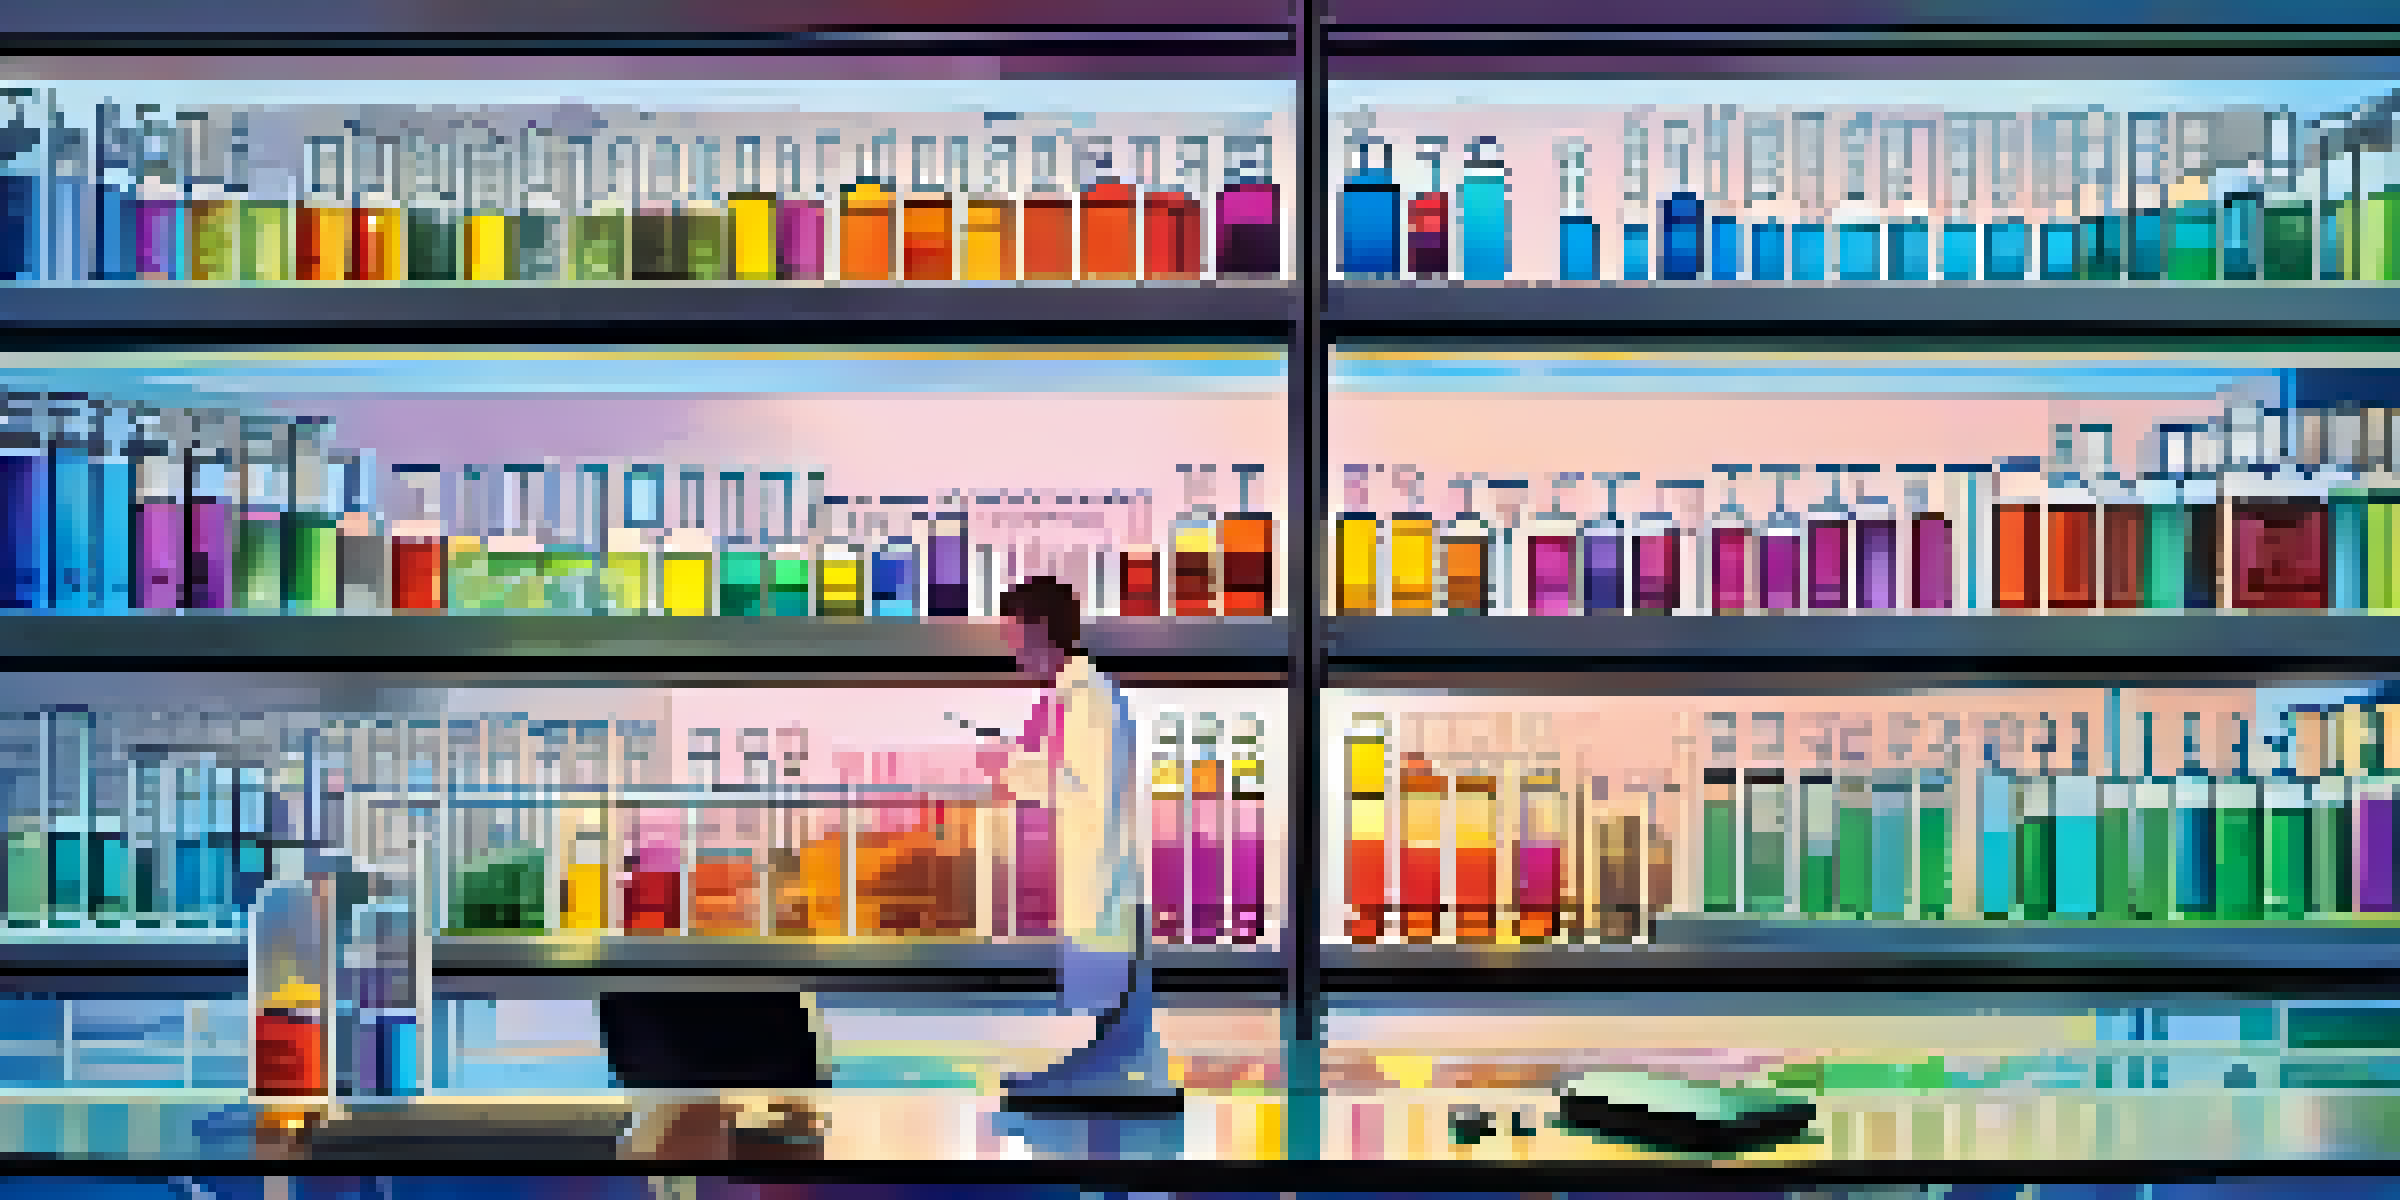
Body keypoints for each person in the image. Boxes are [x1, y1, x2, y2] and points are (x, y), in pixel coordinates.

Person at [986, 575, 1180, 1111]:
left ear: (1041, 630)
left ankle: (1110, 1085)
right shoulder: (1077, 697)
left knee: (1111, 1009)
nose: (1014, 654)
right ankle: (1108, 1076)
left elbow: (1088, 792)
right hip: (1097, 884)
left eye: (1016, 638)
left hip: (1103, 886)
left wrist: (1013, 770)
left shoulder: (1089, 697)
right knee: (1112, 1014)